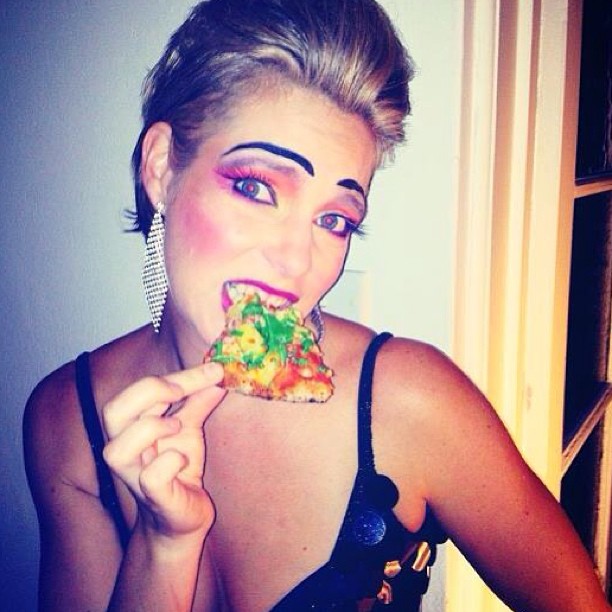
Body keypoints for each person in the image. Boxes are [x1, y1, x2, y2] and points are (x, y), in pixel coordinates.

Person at [22, 0, 611, 610]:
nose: (296, 260)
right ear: (162, 167)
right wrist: (164, 545)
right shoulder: (67, 419)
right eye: (256, 187)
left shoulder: (410, 402)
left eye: (334, 219)